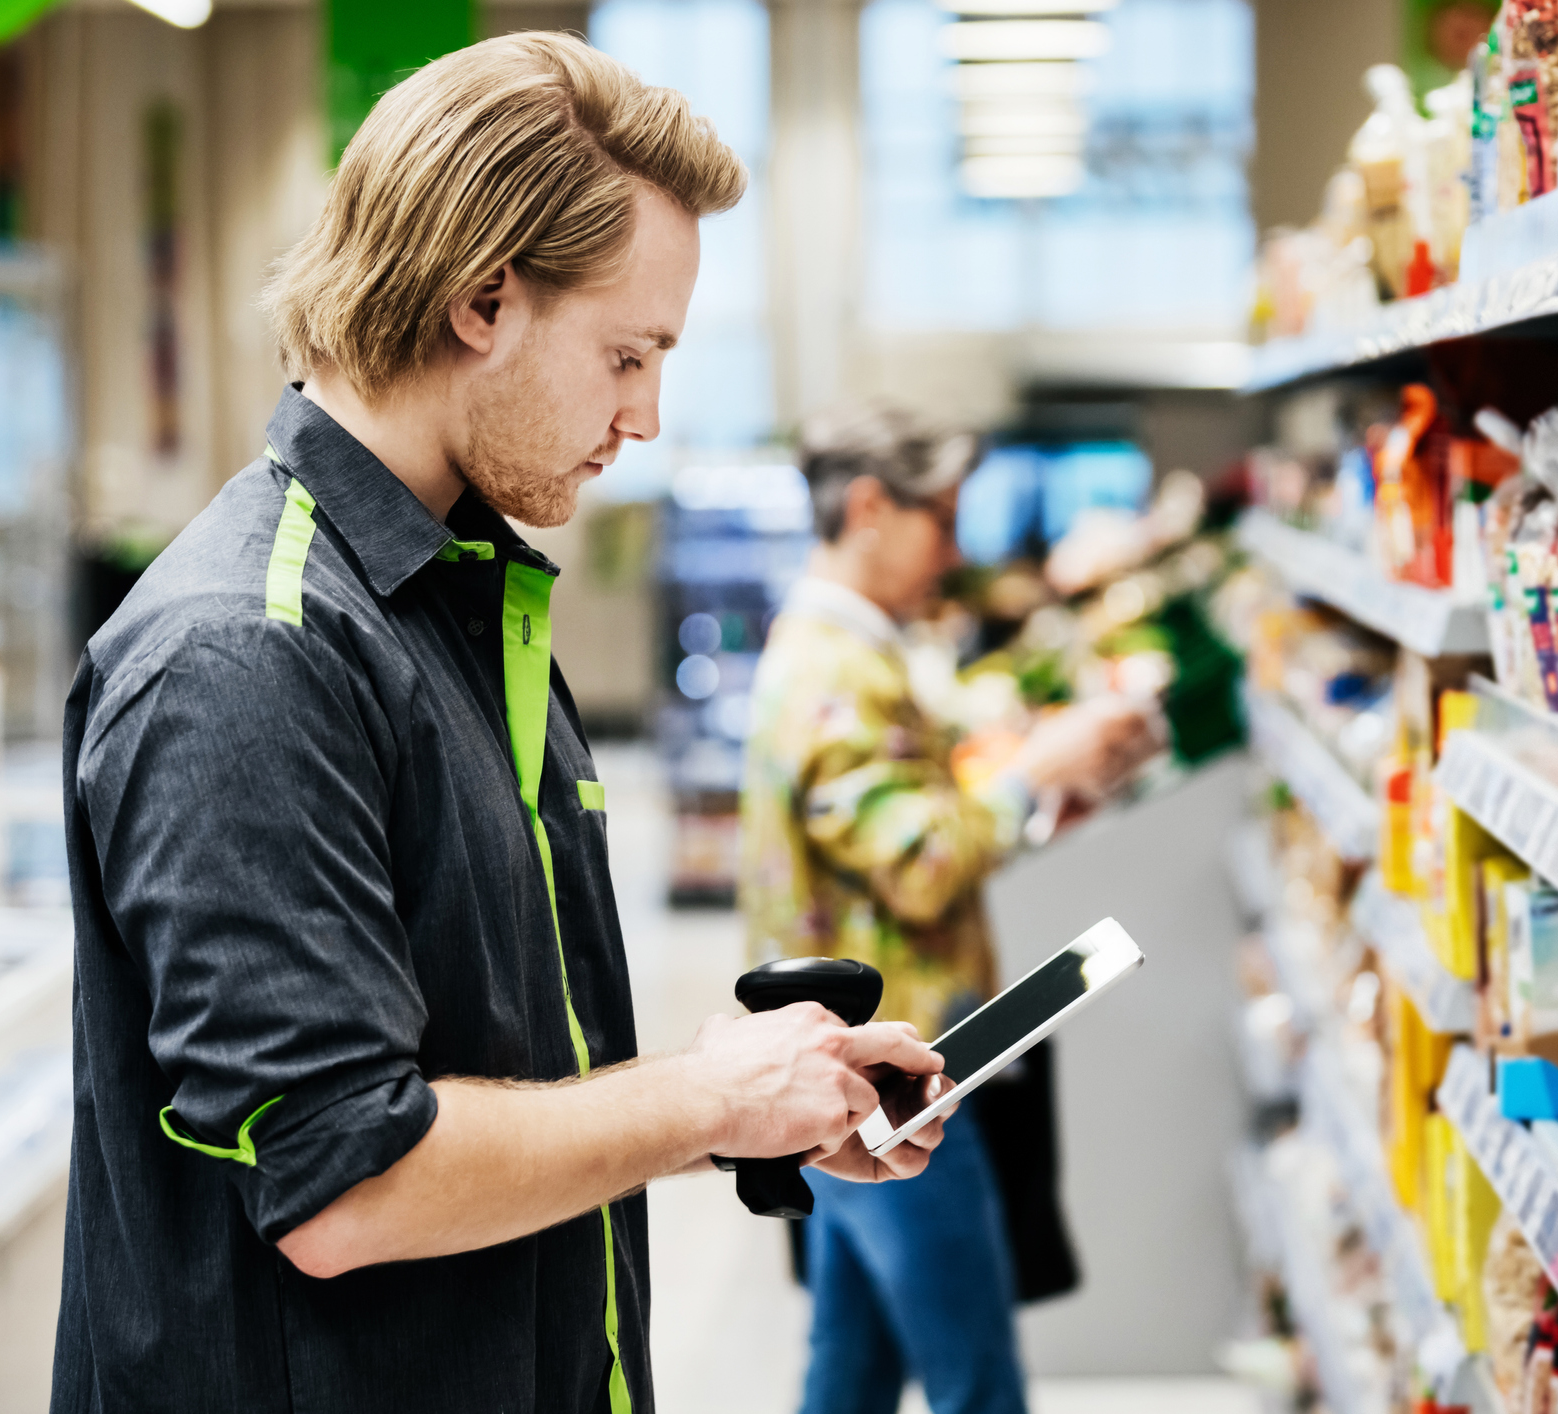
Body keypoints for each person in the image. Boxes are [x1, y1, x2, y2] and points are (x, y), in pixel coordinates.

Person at [51, 36, 952, 1414]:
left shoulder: (459, 601)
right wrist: (705, 1099)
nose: (646, 415)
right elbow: (347, 1179)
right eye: (627, 353)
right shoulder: (249, 648)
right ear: (482, 298)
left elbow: (491, 1064)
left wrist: (763, 1094)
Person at [738, 405, 1161, 1414]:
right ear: (871, 509)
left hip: (852, 1065)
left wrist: (1040, 781)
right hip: (898, 1074)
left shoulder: (855, 652)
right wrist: (1033, 775)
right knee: (977, 1379)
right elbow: (923, 860)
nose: (956, 549)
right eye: (942, 517)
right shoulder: (832, 671)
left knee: (853, 1366)